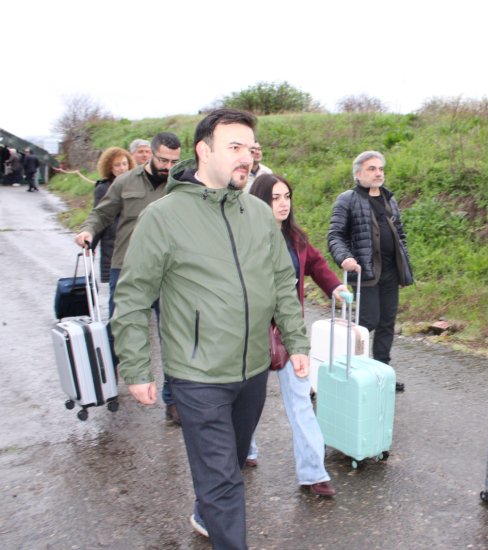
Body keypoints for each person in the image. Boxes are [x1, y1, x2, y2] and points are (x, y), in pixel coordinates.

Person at [111, 108, 309, 548]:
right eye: (234, 148)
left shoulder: (258, 214)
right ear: (204, 151)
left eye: (250, 149)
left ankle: (206, 510)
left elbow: (282, 280)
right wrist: (138, 367)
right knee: (222, 480)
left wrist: (296, 341)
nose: (246, 158)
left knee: (230, 464)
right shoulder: (163, 217)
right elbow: (132, 296)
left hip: (253, 369)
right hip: (198, 375)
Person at [247, 173, 347, 497]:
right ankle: (244, 449)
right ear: (260, 201)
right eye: (275, 197)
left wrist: (336, 287)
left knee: (301, 401)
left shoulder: (297, 239)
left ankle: (314, 473)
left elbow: (317, 265)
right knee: (248, 401)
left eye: (287, 196)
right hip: (251, 335)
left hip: (291, 334)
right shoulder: (244, 239)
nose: (283, 203)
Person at [75, 132, 181, 423]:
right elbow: (102, 213)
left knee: (171, 335)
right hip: (128, 267)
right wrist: (88, 231)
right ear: (149, 156)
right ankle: (106, 383)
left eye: (174, 161)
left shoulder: (179, 185)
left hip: (167, 270)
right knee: (121, 329)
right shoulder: (125, 182)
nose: (168, 166)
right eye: (162, 160)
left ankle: (173, 402)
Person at [328, 150, 413, 392]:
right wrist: (344, 257)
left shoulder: (389, 199)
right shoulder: (347, 199)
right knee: (367, 322)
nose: (378, 173)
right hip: (365, 273)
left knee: (387, 322)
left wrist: (403, 261)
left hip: (390, 272)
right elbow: (335, 235)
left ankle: (382, 373)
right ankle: (354, 370)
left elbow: (401, 235)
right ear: (358, 174)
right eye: (372, 169)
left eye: (380, 169)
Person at [92, 147, 134, 283]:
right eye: (117, 165)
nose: (122, 168)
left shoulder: (137, 185)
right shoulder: (103, 189)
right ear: (109, 167)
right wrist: (91, 244)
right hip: (113, 244)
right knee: (116, 292)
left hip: (134, 242)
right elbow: (100, 216)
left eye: (124, 163)